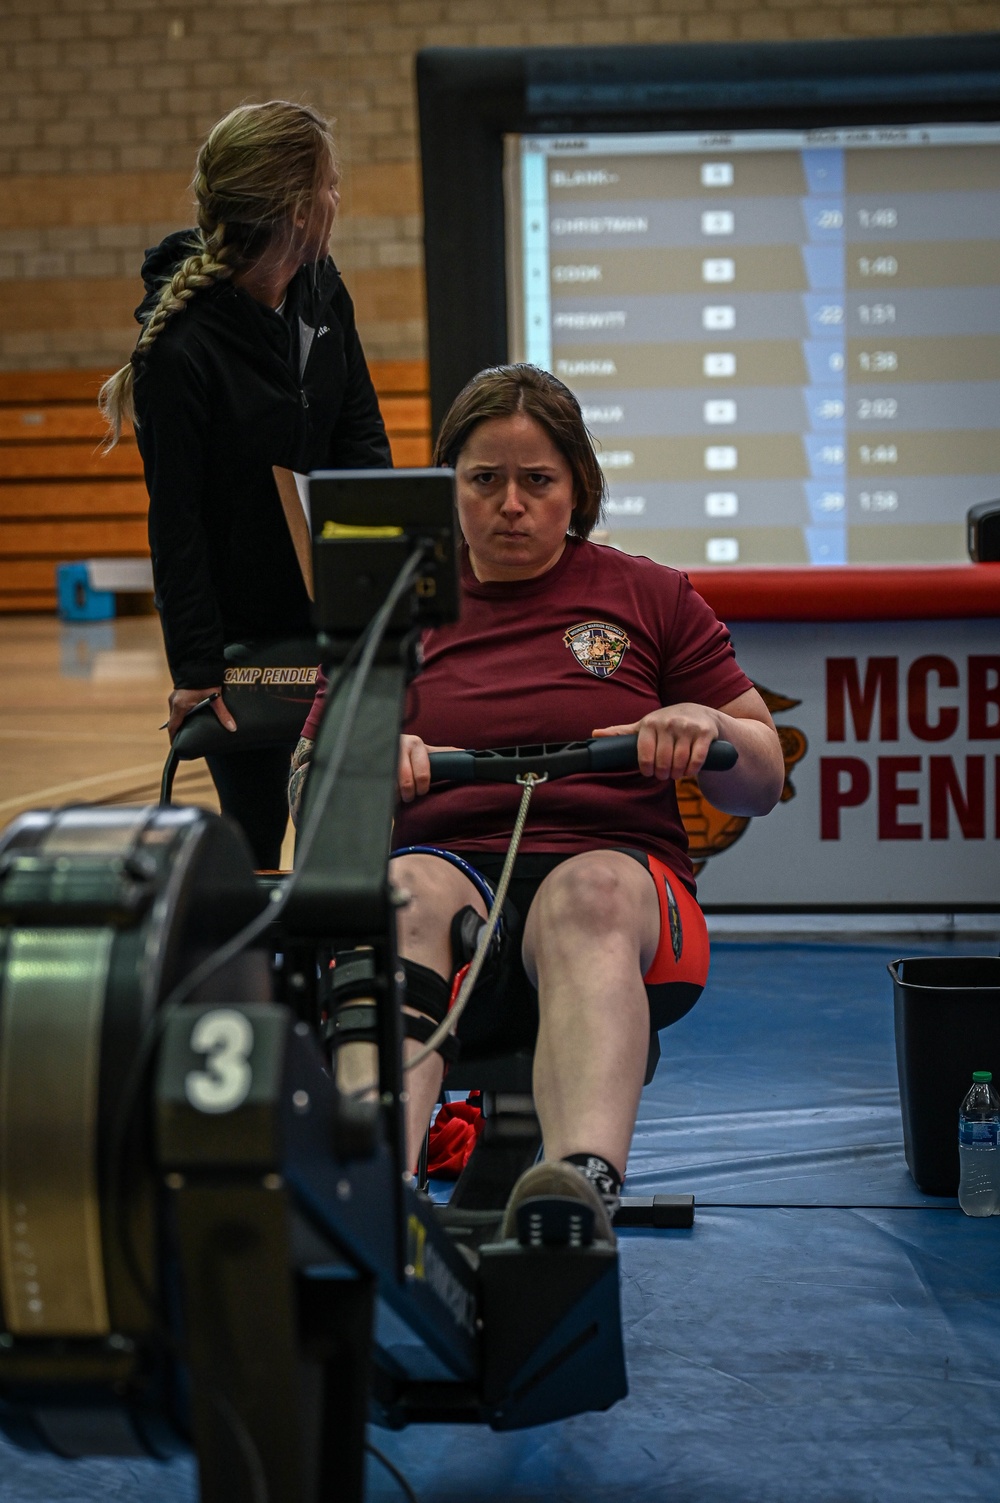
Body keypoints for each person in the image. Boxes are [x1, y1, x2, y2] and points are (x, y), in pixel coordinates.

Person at [296, 364, 784, 1242]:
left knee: (585, 895)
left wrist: (705, 724)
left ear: (577, 490)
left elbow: (763, 776)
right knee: (405, 892)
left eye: (537, 480)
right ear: (450, 489)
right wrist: (367, 763)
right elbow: (311, 792)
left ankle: (577, 1195)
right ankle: (374, 1192)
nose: (510, 504)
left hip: (617, 889)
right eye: (484, 480)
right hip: (449, 883)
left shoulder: (649, 596)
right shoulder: (395, 611)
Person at [100, 100, 391, 869]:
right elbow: (179, 521)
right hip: (242, 639)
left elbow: (362, 441)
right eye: (330, 185)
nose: (338, 199)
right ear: (299, 208)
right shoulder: (181, 348)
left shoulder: (325, 290)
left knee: (347, 833)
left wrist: (382, 596)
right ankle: (265, 978)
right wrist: (196, 668)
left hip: (333, 615)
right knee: (257, 831)